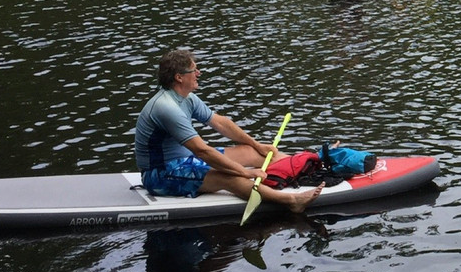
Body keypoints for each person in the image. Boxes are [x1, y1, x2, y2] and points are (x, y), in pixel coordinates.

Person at [134, 49, 323, 211]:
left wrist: (257, 145)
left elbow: (221, 123)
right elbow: (202, 150)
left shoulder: (187, 98)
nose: (198, 73)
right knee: (229, 177)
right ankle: (292, 201)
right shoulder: (166, 108)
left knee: (251, 152)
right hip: (159, 174)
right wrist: (245, 172)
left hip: (186, 159)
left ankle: (307, 167)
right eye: (194, 70)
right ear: (179, 77)